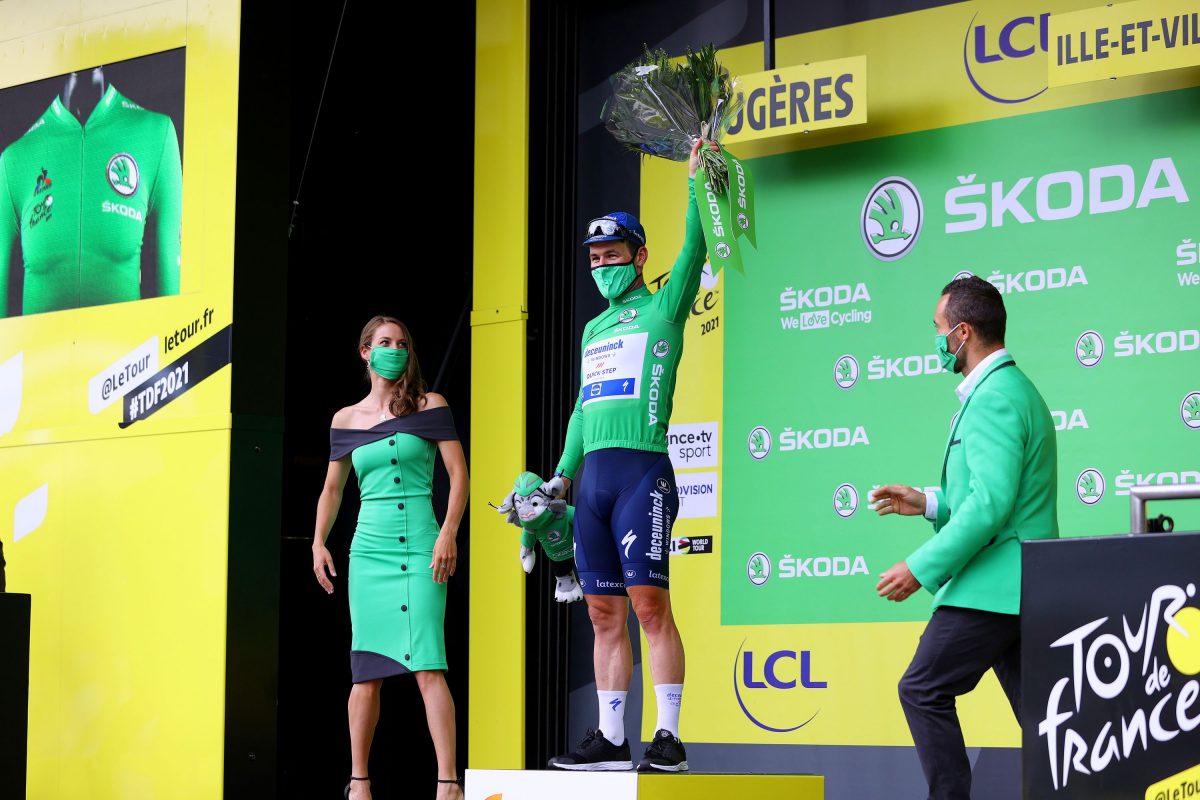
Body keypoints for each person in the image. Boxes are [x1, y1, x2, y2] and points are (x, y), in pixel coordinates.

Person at [544, 138, 710, 773]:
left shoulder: (664, 307)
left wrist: (695, 181)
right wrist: (561, 477)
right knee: (601, 613)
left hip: (642, 474)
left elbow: (694, 248)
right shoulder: (593, 328)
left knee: (649, 607)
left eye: (613, 255)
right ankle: (612, 739)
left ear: (639, 257)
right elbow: (582, 408)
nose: (602, 266)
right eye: (595, 259)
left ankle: (668, 737)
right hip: (592, 483)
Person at [869, 275, 1058, 800]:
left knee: (922, 689)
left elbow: (991, 506)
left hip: (995, 586)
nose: (935, 339)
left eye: (938, 328)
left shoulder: (995, 396)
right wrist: (929, 502)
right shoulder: (1010, 390)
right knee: (1047, 723)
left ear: (963, 332)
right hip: (1020, 585)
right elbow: (998, 499)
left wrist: (920, 567)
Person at [312, 316, 468, 800]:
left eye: (401, 343)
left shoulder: (430, 405)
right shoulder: (345, 419)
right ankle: (359, 783)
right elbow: (333, 489)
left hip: (423, 546)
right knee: (366, 671)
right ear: (366, 351)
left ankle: (448, 784)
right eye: (384, 342)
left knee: (429, 664)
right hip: (370, 554)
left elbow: (458, 476)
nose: (394, 349)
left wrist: (448, 532)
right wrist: (317, 542)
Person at [0, 68, 182, 317]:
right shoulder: (14, 160)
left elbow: (172, 308)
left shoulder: (155, 134)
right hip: (41, 343)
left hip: (127, 342)